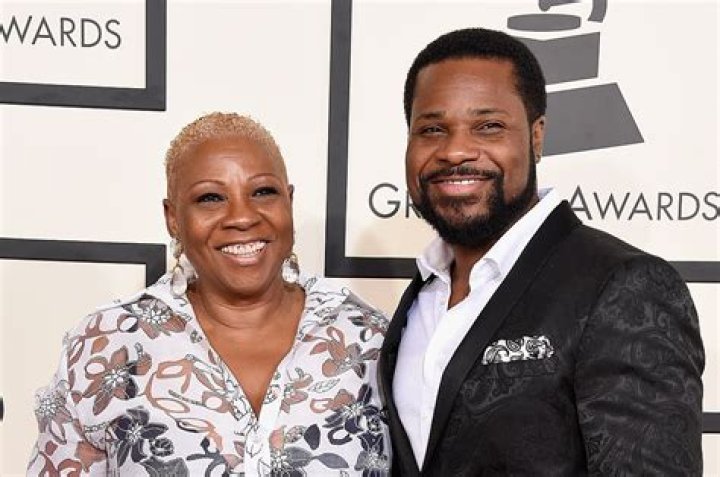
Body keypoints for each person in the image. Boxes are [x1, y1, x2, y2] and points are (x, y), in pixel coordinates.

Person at [378, 28, 704, 476]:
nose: (455, 151)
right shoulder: (422, 296)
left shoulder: (623, 286)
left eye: (488, 126)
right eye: (432, 129)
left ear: (536, 136)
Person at [28, 112, 391, 476]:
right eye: (211, 198)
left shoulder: (369, 339)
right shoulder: (106, 346)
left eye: (263, 192)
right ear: (173, 217)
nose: (242, 217)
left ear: (289, 201)